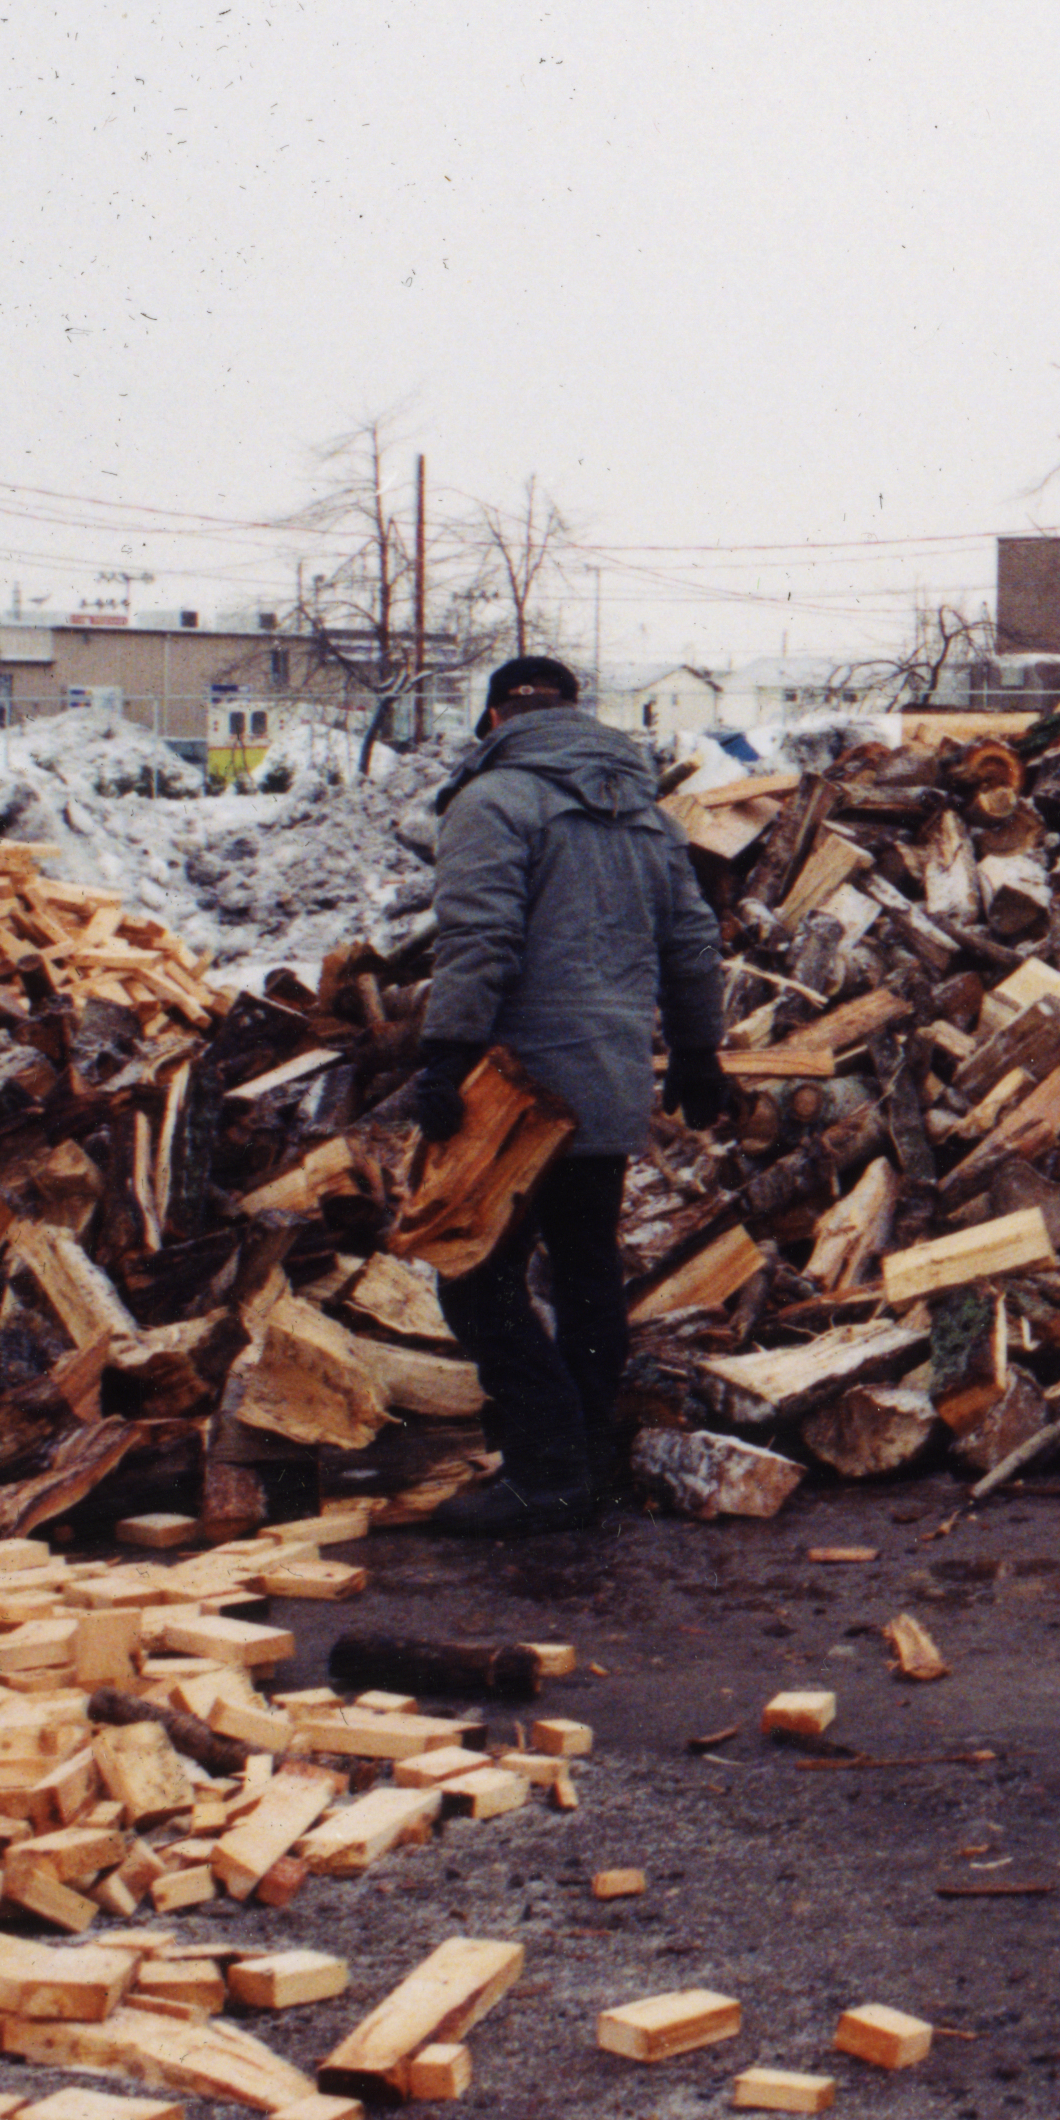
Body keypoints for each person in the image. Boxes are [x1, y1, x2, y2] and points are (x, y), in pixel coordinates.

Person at [406, 656, 731, 1535]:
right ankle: (585, 1460)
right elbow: (693, 940)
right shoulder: (646, 816)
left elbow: (478, 937)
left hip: (520, 1086)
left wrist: (446, 1054)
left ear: (495, 719)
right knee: (586, 1271)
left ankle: (545, 1472)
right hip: (612, 1073)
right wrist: (698, 1049)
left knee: (475, 1275)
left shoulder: (494, 800)